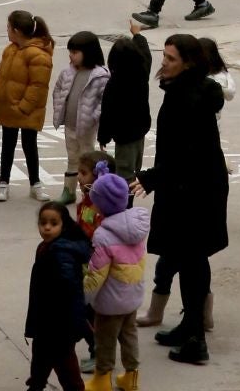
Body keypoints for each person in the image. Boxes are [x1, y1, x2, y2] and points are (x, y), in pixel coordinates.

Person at [133, 32, 229, 365]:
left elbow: (186, 152)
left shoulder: (186, 98)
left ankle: (195, 340)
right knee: (189, 257)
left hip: (192, 191)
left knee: (191, 261)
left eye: (171, 58)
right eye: (164, 56)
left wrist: (150, 177)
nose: (164, 63)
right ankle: (189, 324)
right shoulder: (188, 91)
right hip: (190, 186)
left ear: (188, 63)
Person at [84, 162, 148, 391]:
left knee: (105, 341)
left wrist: (84, 296)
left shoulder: (103, 235)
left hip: (110, 303)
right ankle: (131, 376)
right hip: (132, 296)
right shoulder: (137, 226)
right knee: (129, 337)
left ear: (101, 205)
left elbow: (97, 274)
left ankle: (102, 379)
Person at [0, 9, 55, 202]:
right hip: (9, 107)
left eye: (9, 27)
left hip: (25, 110)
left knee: (30, 145)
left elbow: (38, 86)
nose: (7, 31)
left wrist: (24, 107)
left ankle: (35, 183)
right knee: (7, 145)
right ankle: (3, 183)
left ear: (17, 31)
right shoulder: (10, 50)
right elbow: (3, 77)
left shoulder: (38, 56)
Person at [25, 201, 91, 391]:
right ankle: (36, 385)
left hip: (59, 323)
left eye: (53, 223)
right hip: (46, 319)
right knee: (40, 355)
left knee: (64, 363)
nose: (46, 227)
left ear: (64, 225)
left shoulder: (61, 251)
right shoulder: (47, 246)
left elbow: (68, 286)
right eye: (43, 222)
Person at [52, 31, 110, 204]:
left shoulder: (100, 76)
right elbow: (58, 90)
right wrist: (59, 109)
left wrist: (94, 116)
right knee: (72, 157)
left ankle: (90, 193)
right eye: (70, 52)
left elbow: (104, 101)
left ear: (89, 53)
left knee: (88, 159)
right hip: (70, 125)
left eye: (75, 52)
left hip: (87, 127)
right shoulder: (68, 72)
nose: (71, 56)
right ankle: (68, 190)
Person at [98, 32, 153, 185]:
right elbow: (147, 55)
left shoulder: (115, 84)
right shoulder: (142, 74)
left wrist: (103, 136)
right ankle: (129, 196)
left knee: (124, 171)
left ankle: (124, 202)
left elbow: (107, 112)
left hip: (124, 134)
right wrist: (139, 36)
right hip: (140, 130)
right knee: (135, 166)